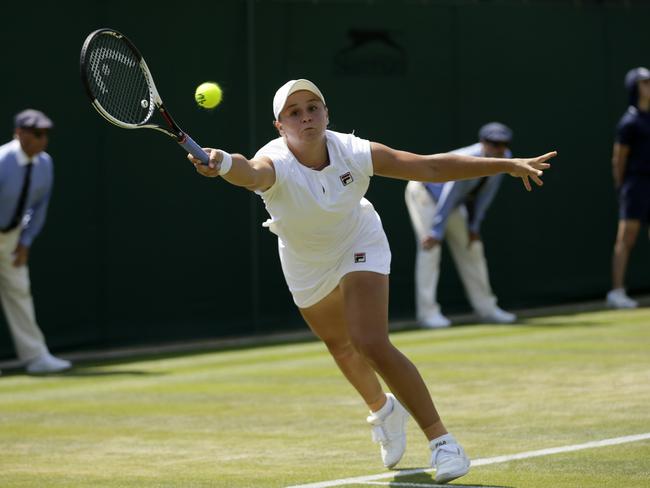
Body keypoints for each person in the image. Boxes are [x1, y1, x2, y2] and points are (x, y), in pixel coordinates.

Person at [187, 79, 554, 483]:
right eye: (295, 112)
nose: (306, 116)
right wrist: (221, 163)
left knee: (370, 342)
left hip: (359, 240)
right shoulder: (274, 163)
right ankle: (384, 410)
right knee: (340, 347)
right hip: (305, 261)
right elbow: (249, 172)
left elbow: (429, 166)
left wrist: (505, 163)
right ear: (280, 126)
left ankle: (443, 443)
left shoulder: (354, 151)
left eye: (314, 107)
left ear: (327, 113)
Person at [404, 122, 518, 328]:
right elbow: (451, 192)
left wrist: (474, 228)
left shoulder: (506, 158)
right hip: (424, 193)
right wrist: (436, 230)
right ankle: (427, 314)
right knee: (430, 248)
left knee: (473, 248)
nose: (498, 149)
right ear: (483, 143)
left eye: (503, 144)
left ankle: (487, 308)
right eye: (493, 143)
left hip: (453, 202)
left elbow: (485, 195)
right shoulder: (468, 159)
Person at [0, 109, 71, 374]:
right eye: (38, 134)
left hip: (11, 239)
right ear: (19, 134)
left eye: (47, 135)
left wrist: (25, 240)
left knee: (19, 291)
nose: (44, 140)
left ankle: (36, 357)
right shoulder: (1, 160)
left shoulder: (45, 164)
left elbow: (39, 206)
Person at [606, 67, 650, 309]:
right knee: (627, 238)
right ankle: (617, 291)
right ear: (635, 88)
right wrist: (622, 187)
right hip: (634, 184)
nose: (649, 86)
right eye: (645, 83)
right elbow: (619, 159)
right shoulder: (629, 122)